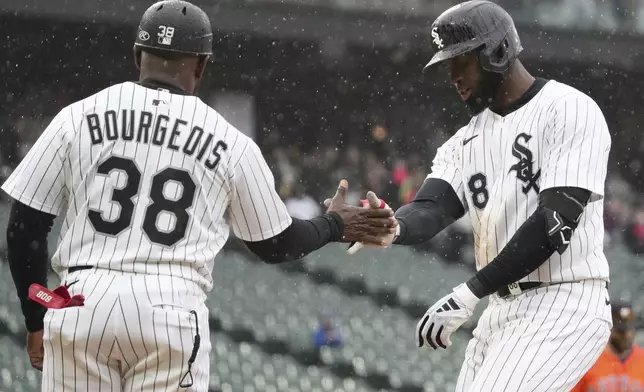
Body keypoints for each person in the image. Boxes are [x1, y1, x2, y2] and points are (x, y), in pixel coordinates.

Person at [2, 1, 396, 391]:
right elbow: (275, 244)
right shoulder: (231, 142)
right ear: (202, 64)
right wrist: (333, 224)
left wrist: (36, 318)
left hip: (81, 302)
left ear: (138, 55)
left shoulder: (77, 117)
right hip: (170, 309)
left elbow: (24, 228)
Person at [351, 1, 612, 390]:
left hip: (564, 301)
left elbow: (552, 226)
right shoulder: (464, 142)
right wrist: (392, 226)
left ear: (497, 50)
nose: (453, 75)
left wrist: (470, 291)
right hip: (500, 308)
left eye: (461, 61)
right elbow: (430, 208)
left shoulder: (569, 109)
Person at [572, 301, 644, 391]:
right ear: (609, 328)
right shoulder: (588, 360)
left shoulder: (642, 358)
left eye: (630, 329)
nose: (627, 335)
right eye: (621, 331)